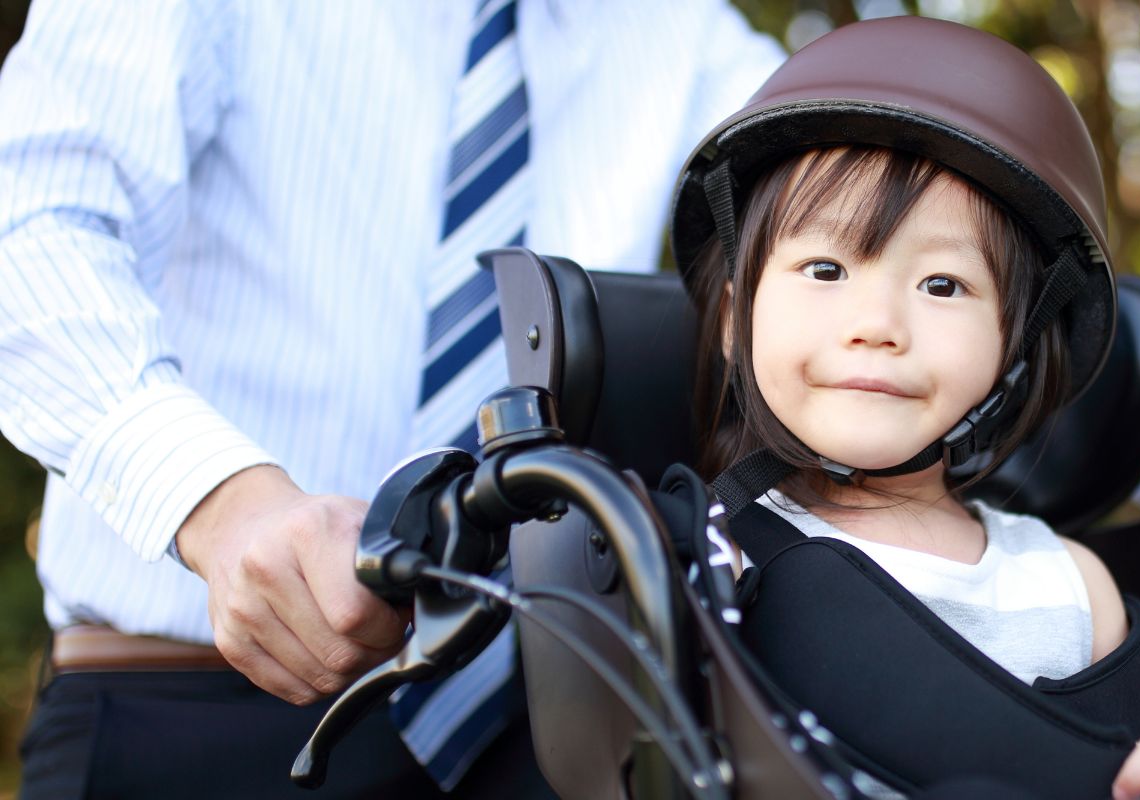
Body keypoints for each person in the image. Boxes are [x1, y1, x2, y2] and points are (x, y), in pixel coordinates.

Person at [0, 1, 786, 797]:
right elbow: (28, 231)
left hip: (543, 725)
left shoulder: (674, 27)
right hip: (190, 713)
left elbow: (836, 185)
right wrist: (220, 503)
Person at [666, 16, 1140, 799]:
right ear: (731, 318)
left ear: (1017, 350)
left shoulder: (1074, 589)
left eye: (942, 285)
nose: (877, 325)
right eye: (825, 269)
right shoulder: (705, 565)